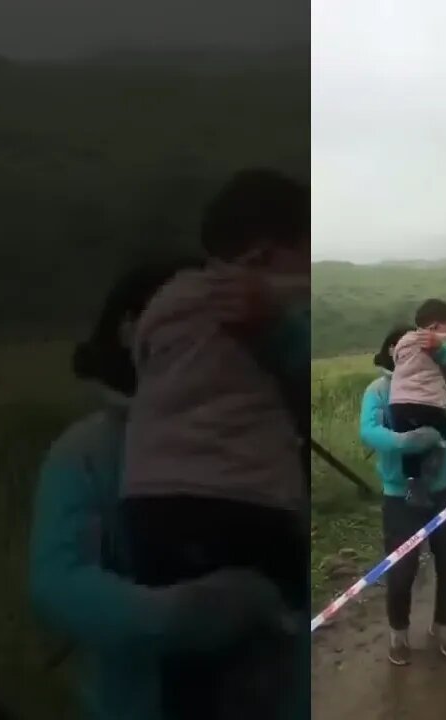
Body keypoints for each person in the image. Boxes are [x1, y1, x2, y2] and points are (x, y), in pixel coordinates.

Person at [29, 260, 299, 720]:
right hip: (144, 699)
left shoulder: (261, 430)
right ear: (137, 334)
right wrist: (180, 615)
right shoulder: (89, 450)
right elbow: (59, 580)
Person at [120, 169, 309, 719]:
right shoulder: (263, 299)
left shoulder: (167, 300)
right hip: (242, 502)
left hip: (148, 504)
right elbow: (298, 372)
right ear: (265, 255)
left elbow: (144, 366)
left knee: (189, 673)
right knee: (269, 657)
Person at [360, 325, 446, 666]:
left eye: (420, 349)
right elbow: (368, 431)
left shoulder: (439, 383)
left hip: (445, 488)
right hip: (400, 495)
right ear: (392, 352)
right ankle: (399, 634)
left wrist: (441, 347)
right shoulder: (378, 390)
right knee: (402, 570)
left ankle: (444, 626)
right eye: (405, 349)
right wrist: (404, 442)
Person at [387, 298, 446, 506]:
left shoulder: (405, 339)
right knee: (440, 435)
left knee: (410, 448)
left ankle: (413, 482)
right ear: (435, 326)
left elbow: (398, 358)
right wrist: (444, 346)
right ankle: (431, 471)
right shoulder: (440, 338)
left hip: (398, 404)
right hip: (429, 404)